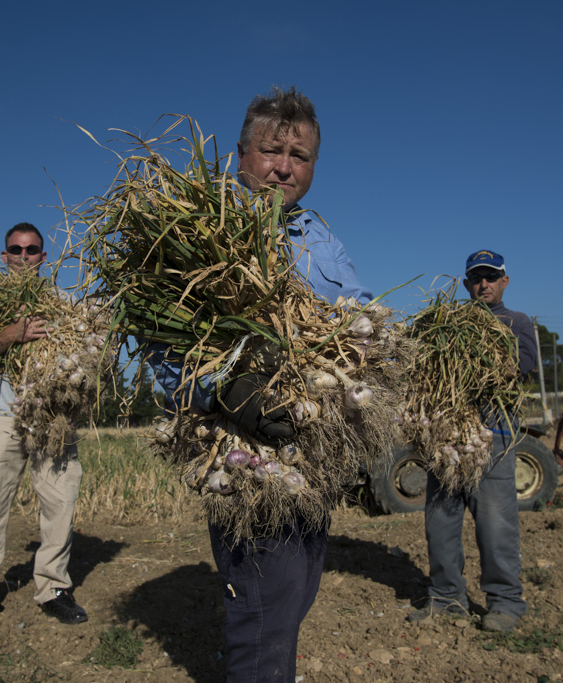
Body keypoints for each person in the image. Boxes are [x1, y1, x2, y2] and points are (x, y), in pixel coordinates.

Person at [151, 87, 372, 681]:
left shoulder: (322, 239)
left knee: (298, 586)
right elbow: (160, 337)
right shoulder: (197, 226)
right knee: (263, 599)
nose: (284, 168)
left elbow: (362, 319)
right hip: (244, 451)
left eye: (300, 157)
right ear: (241, 154)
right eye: (272, 151)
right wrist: (225, 391)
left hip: (314, 447)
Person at [0, 222, 87, 625]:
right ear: (4, 256)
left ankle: (53, 588)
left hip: (54, 420)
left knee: (60, 503)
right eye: (16, 249)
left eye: (32, 251)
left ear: (44, 257)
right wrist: (11, 334)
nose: (24, 257)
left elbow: (84, 353)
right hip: (3, 417)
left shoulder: (63, 302)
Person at [408, 249, 537, 633]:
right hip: (446, 437)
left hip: (493, 438)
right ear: (466, 284)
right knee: (440, 523)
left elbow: (524, 365)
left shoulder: (516, 321)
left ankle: (506, 603)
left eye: (491, 277)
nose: (484, 284)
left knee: (496, 525)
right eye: (477, 278)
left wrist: (474, 362)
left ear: (504, 282)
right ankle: (447, 598)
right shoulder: (444, 322)